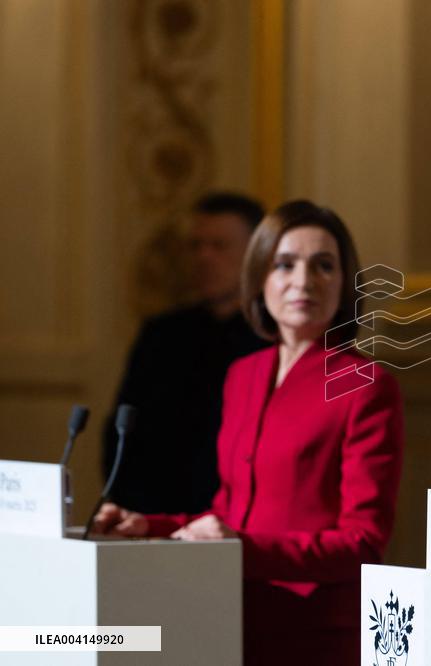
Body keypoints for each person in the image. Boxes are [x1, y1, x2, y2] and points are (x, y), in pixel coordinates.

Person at [93, 200, 405, 665]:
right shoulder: (243, 374)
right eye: (285, 265)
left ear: (344, 285)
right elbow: (230, 511)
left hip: (313, 631)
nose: (303, 281)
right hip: (225, 615)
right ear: (260, 278)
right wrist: (150, 527)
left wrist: (242, 548)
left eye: (323, 265)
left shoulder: (365, 384)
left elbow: (362, 541)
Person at [102, 192, 268, 514]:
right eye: (196, 245)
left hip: (242, 524)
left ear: (256, 255)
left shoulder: (275, 339)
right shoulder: (161, 334)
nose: (204, 257)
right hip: (155, 517)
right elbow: (122, 430)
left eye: (219, 246)